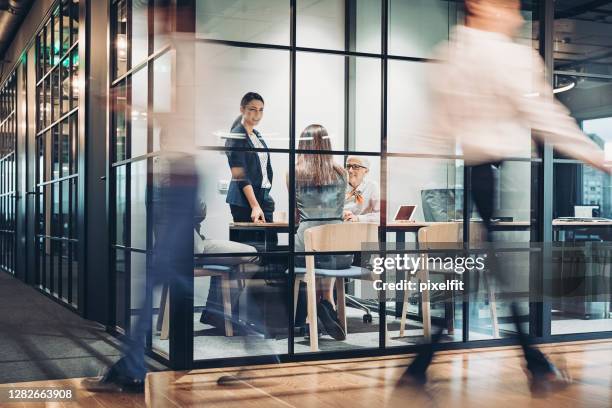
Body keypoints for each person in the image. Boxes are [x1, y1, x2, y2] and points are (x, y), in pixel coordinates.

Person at [399, 0, 609, 394]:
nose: (515, 10)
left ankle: (425, 366)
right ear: (480, 6)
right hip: (489, 173)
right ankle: (533, 364)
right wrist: (595, 156)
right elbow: (546, 116)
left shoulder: (452, 55)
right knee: (494, 271)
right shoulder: (505, 56)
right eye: (507, 3)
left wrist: (402, 169)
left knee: (486, 271)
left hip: (483, 172)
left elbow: (433, 128)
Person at [291, 124, 353, 341]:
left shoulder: (294, 172)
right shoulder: (342, 173)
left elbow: (296, 213)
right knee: (327, 257)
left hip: (308, 244)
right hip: (340, 250)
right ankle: (327, 301)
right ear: (328, 145)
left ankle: (311, 318)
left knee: (312, 258)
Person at [343, 156, 380, 222]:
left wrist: (358, 218)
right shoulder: (338, 186)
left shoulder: (372, 186)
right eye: (348, 166)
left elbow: (380, 215)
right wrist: (340, 214)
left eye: (355, 166)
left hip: (363, 229)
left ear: (366, 171)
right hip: (339, 227)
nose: (350, 170)